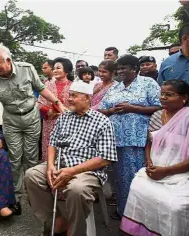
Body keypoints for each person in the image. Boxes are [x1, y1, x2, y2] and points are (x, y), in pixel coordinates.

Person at [0, 44, 66, 214]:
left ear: (8, 60)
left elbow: (41, 89)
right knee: (14, 158)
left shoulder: (27, 69)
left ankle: (34, 193)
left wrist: (57, 102)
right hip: (11, 120)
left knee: (30, 157)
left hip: (31, 117)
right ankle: (14, 196)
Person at [25, 81, 118, 236]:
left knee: (77, 190)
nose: (69, 99)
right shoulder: (65, 117)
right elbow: (52, 143)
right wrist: (49, 167)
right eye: (69, 95)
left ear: (87, 98)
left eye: (74, 96)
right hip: (60, 164)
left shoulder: (102, 121)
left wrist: (72, 171)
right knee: (32, 176)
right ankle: (56, 220)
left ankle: (75, 231)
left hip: (87, 171)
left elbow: (105, 158)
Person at [120, 80, 189, 236]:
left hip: (180, 175)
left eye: (169, 95)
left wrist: (165, 171)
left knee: (175, 206)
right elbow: (149, 141)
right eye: (162, 94)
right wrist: (149, 162)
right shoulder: (158, 115)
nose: (163, 98)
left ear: (184, 97)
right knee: (138, 189)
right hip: (155, 170)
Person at [98, 54, 161, 219]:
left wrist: (133, 108)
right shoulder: (115, 87)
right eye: (118, 68)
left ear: (135, 69)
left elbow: (159, 106)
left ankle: (139, 215)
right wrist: (111, 111)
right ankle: (123, 211)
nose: (120, 71)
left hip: (137, 139)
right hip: (114, 139)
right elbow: (102, 109)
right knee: (119, 178)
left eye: (124, 68)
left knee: (136, 176)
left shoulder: (148, 84)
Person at [38, 57, 73, 161]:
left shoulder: (73, 86)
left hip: (68, 124)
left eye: (58, 68)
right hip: (50, 124)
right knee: (49, 149)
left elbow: (76, 104)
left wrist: (66, 112)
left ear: (66, 70)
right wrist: (49, 111)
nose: (55, 70)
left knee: (66, 150)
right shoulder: (46, 86)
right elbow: (40, 103)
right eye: (54, 68)